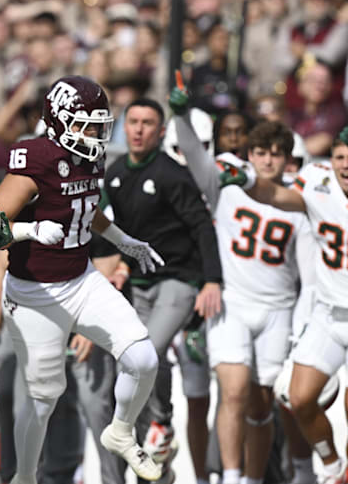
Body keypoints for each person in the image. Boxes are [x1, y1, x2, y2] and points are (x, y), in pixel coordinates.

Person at [0, 76, 165, 484]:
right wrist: (30, 231)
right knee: (43, 399)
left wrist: (123, 240)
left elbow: (84, 207)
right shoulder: (37, 157)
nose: (95, 134)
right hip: (34, 293)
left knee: (143, 358)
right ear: (58, 121)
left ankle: (120, 431)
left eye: (99, 125)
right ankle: (24, 478)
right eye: (86, 124)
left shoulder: (88, 155)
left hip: (82, 280)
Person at [170, 80, 313, 484]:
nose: (267, 161)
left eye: (275, 154)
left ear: (287, 160)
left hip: (277, 309)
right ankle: (230, 477)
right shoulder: (227, 184)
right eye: (260, 152)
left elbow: (307, 274)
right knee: (231, 392)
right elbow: (196, 157)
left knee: (260, 404)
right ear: (249, 154)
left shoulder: (301, 204)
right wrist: (180, 116)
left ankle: (253, 478)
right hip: (232, 303)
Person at [103, 97, 223, 476]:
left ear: (160, 131)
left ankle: (163, 422)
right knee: (135, 358)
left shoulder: (173, 174)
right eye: (133, 122)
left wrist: (212, 280)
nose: (138, 130)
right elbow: (125, 231)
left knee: (149, 349)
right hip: (140, 279)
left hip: (179, 277)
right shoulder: (117, 171)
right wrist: (122, 262)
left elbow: (202, 225)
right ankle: (156, 450)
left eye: (147, 123)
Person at [230, 130, 348, 484]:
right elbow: (273, 195)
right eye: (341, 157)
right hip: (329, 312)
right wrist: (246, 181)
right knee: (299, 398)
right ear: (332, 160)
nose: (347, 165)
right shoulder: (318, 182)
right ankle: (331, 464)